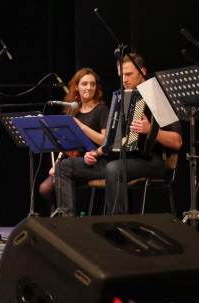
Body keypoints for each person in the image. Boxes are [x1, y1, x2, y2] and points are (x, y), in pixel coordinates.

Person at [54, 54, 182, 216]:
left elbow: (177, 142)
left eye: (129, 74)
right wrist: (96, 152)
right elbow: (114, 140)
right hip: (118, 158)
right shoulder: (123, 98)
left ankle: (116, 226)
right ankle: (68, 223)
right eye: (121, 76)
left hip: (151, 160)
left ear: (142, 72)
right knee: (64, 167)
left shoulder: (157, 97)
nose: (124, 80)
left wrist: (150, 130)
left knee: (114, 169)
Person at [38, 68, 109, 206]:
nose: (89, 88)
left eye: (92, 84)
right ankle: (65, 216)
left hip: (96, 162)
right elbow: (66, 144)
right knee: (45, 188)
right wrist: (56, 165)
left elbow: (105, 141)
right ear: (76, 87)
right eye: (84, 84)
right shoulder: (73, 111)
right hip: (76, 162)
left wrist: (82, 127)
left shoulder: (101, 109)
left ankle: (69, 218)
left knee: (61, 176)